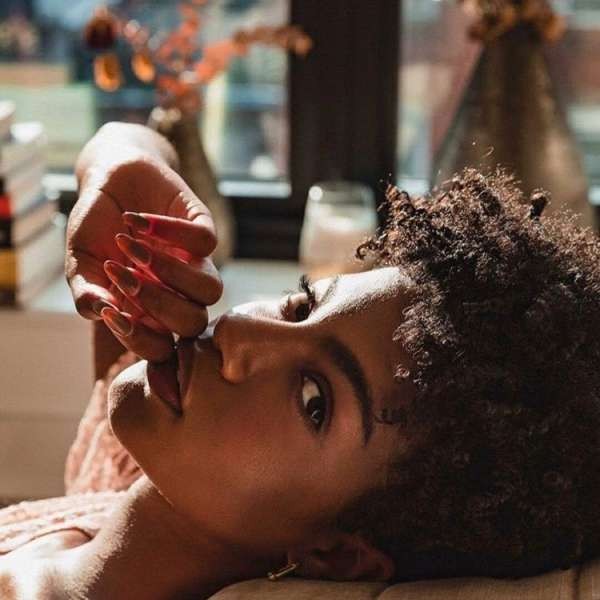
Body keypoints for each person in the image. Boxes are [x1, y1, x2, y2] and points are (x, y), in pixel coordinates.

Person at [1, 122, 600, 599]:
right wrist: (120, 164)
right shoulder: (130, 473)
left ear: (333, 553)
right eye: (300, 305)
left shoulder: (180, 459)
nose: (238, 330)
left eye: (314, 400)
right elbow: (130, 139)